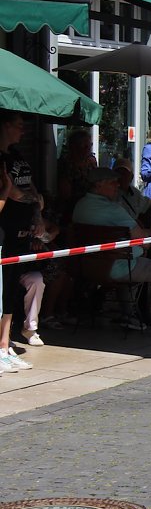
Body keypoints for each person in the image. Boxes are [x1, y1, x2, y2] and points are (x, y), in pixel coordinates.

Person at [73, 167, 151, 336]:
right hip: (119, 267)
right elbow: (142, 241)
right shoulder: (114, 210)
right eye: (112, 183)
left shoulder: (80, 206)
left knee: (134, 260)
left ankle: (128, 314)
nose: (118, 186)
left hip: (88, 267)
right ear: (98, 185)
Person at [0, 110, 45, 361]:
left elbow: (31, 188)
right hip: (4, 231)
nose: (23, 130)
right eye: (18, 125)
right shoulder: (1, 159)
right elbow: (16, 193)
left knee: (15, 284)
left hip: (21, 231)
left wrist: (37, 214)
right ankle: (2, 345)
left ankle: (6, 343)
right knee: (4, 288)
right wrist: (34, 200)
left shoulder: (17, 155)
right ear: (5, 126)